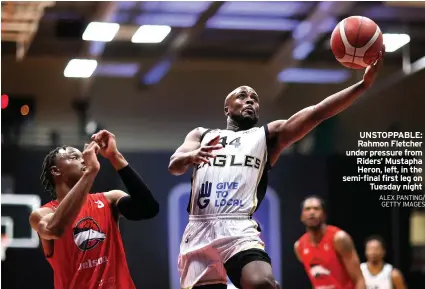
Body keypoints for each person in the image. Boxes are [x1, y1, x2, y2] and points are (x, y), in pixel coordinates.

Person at [168, 45, 384, 288]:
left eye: (255, 99)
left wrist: (361, 86)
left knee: (263, 283)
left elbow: (316, 113)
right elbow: (174, 165)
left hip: (238, 225)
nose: (250, 100)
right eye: (242, 96)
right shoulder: (202, 134)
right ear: (227, 108)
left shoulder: (267, 136)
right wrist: (190, 156)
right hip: (199, 227)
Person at [29, 130, 159, 289]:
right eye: (74, 157)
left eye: (82, 156)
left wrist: (114, 156)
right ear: (56, 171)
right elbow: (54, 229)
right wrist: (90, 172)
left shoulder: (109, 199)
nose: (83, 160)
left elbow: (149, 208)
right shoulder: (43, 214)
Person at [294, 196, 366, 289]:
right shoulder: (299, 246)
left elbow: (359, 279)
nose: (312, 212)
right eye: (307, 209)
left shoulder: (339, 239)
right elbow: (316, 280)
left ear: (324, 215)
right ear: (302, 217)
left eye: (316, 209)